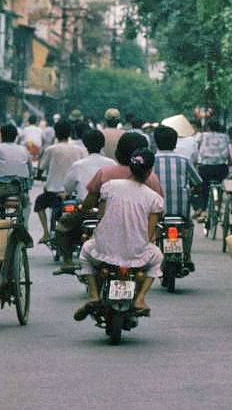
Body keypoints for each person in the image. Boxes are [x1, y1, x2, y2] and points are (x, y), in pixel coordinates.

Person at [73, 147, 164, 320]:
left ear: (130, 167)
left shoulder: (109, 187)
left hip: (104, 251)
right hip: (136, 255)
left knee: (85, 252)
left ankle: (93, 295)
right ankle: (140, 299)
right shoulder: (154, 198)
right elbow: (149, 233)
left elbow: (102, 216)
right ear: (150, 171)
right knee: (157, 257)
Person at [54, 132, 163, 275]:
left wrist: (84, 209)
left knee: (62, 226)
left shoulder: (106, 172)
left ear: (119, 152)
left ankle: (67, 261)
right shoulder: (152, 178)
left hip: (104, 227)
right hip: (139, 234)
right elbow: (158, 209)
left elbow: (90, 201)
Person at [152, 125, 203, 269]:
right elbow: (198, 182)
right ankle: (186, 255)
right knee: (189, 227)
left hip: (157, 211)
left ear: (156, 142)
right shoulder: (184, 160)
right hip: (180, 211)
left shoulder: (151, 160)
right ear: (175, 143)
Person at [36, 120, 86, 243]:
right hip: (73, 192)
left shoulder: (51, 149)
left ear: (56, 134)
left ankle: (46, 233)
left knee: (39, 203)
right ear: (69, 133)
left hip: (54, 192)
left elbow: (40, 169)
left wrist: (39, 176)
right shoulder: (78, 150)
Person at [0, 124, 33, 217]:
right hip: (19, 188)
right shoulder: (24, 149)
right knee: (26, 204)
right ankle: (25, 227)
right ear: (15, 136)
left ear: (1, 135)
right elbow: (30, 170)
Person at [194, 121, 231, 221]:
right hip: (221, 168)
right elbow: (228, 153)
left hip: (206, 167)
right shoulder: (225, 137)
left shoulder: (202, 135)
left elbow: (197, 149)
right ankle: (218, 204)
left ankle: (204, 210)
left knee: (204, 186)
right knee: (219, 184)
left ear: (208, 128)